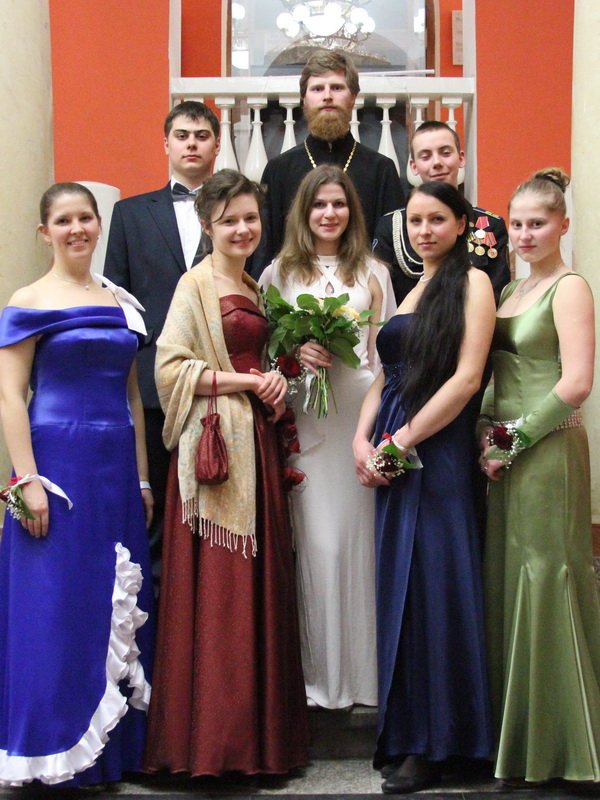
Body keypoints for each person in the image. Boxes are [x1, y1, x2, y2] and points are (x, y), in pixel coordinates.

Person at [144, 169, 309, 777]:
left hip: (254, 446)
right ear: (207, 225)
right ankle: (214, 746)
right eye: (229, 220)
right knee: (221, 591)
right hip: (215, 455)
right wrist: (249, 381)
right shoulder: (194, 285)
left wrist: (276, 377)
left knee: (256, 586)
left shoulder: (252, 286)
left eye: (250, 218)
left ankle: (259, 744)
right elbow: (170, 369)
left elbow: (260, 358)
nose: (242, 228)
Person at [0, 183, 154, 788]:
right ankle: (50, 752)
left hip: (114, 470)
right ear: (45, 232)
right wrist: (26, 480)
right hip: (57, 466)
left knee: (105, 601)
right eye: (63, 220)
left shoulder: (120, 300)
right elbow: (10, 395)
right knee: (55, 604)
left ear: (99, 224)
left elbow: (133, 397)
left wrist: (142, 478)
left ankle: (110, 755)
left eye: (85, 218)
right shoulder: (29, 299)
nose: (77, 229)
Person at [353, 181, 495, 793]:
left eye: (437, 219)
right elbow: (384, 375)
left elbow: (466, 380)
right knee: (403, 593)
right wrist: (362, 440)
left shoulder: (474, 283)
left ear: (461, 224)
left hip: (436, 453)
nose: (424, 230)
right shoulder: (408, 287)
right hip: (392, 451)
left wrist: (401, 441)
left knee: (437, 588)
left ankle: (442, 743)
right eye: (415, 221)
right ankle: (410, 734)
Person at [479, 168, 600, 786]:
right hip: (503, 455)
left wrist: (511, 441)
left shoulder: (570, 288)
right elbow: (494, 373)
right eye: (518, 224)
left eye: (538, 223)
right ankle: (518, 739)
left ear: (562, 225)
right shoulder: (509, 290)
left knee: (548, 576)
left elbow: (576, 383)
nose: (526, 234)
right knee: (512, 579)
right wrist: (484, 433)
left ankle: (562, 748)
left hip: (548, 452)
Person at [260, 165, 396, 710]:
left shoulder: (374, 272)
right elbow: (265, 352)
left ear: (352, 211)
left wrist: (378, 431)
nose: (329, 213)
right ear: (304, 211)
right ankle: (320, 679)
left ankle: (365, 679)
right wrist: (295, 353)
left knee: (360, 548)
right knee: (318, 546)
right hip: (308, 421)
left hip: (357, 419)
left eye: (339, 204)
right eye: (319, 204)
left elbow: (386, 360)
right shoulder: (278, 273)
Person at [104, 101, 221, 595]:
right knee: (151, 514)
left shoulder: (240, 214)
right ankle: (151, 630)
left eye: (201, 135)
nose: (192, 143)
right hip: (151, 385)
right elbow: (117, 298)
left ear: (217, 145)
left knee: (214, 515)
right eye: (183, 135)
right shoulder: (129, 214)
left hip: (220, 383)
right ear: (166, 144)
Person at [251, 49, 404, 278]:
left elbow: (391, 252)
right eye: (317, 89)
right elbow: (266, 251)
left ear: (353, 97)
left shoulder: (381, 170)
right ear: (304, 99)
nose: (327, 96)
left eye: (337, 87)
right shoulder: (278, 170)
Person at [373, 120, 510, 304]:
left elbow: (498, 298)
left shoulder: (490, 226)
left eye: (445, 153)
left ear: (461, 158)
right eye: (426, 156)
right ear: (413, 166)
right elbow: (382, 299)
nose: (437, 163)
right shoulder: (391, 226)